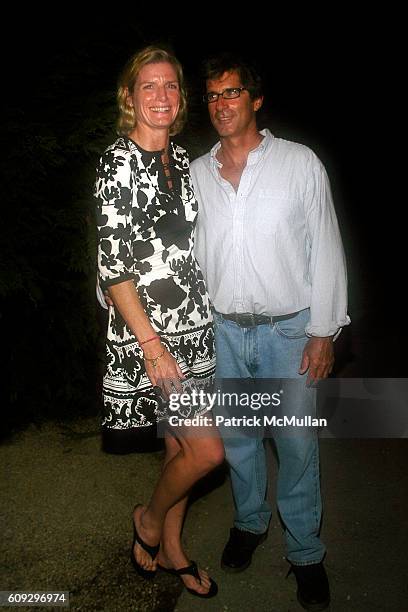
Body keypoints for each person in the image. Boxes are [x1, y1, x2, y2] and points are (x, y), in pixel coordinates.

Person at [191, 53, 350, 611]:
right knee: (238, 441)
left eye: (231, 93)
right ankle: (250, 523)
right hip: (224, 331)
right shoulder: (196, 175)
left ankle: (306, 552)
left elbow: (326, 247)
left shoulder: (299, 164)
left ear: (256, 100)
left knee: (296, 445)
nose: (221, 105)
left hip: (289, 332)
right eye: (212, 95)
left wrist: (324, 330)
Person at [94, 45, 224, 598]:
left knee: (179, 449)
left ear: (181, 98)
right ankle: (147, 520)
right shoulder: (116, 163)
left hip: (192, 326)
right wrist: (152, 345)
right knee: (206, 451)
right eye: (149, 86)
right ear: (130, 97)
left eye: (170, 85)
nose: (161, 96)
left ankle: (172, 550)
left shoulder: (181, 163)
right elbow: (115, 266)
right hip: (150, 334)